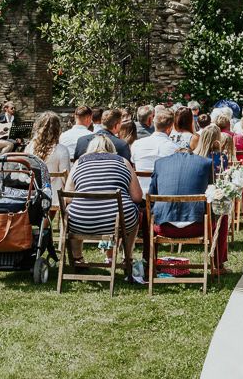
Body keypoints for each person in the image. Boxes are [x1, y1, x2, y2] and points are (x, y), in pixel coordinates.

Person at [63, 134, 141, 280]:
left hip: (81, 222)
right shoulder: (123, 162)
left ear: (90, 149)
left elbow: (68, 197)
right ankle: (127, 258)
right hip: (116, 221)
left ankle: (77, 258)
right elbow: (137, 197)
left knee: (72, 211)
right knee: (135, 212)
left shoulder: (79, 162)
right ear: (111, 149)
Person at [146, 149, 228, 276]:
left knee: (146, 218)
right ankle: (218, 264)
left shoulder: (159, 163)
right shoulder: (206, 163)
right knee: (223, 215)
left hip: (164, 228)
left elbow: (151, 195)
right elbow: (212, 194)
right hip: (198, 227)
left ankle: (149, 265)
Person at [132, 109, 180, 191]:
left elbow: (134, 166)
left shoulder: (136, 144)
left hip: (141, 193)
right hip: (163, 195)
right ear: (170, 128)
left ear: (155, 124)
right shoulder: (174, 148)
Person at [26, 111, 71, 196]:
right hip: (54, 197)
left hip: (33, 195)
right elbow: (66, 180)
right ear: (57, 129)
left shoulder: (29, 147)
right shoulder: (62, 150)